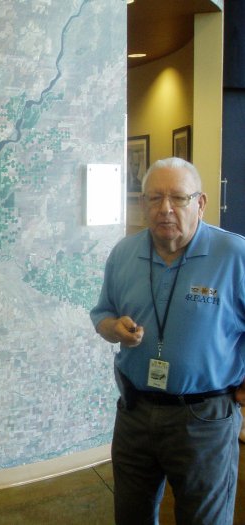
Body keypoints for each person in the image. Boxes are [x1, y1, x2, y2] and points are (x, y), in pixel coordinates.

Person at [90, 157, 245, 524]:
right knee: (131, 515)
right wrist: (114, 329)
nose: (165, 209)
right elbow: (101, 314)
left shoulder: (234, 255)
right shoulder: (124, 254)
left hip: (204, 418)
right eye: (155, 198)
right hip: (134, 412)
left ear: (201, 203)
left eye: (178, 198)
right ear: (142, 204)